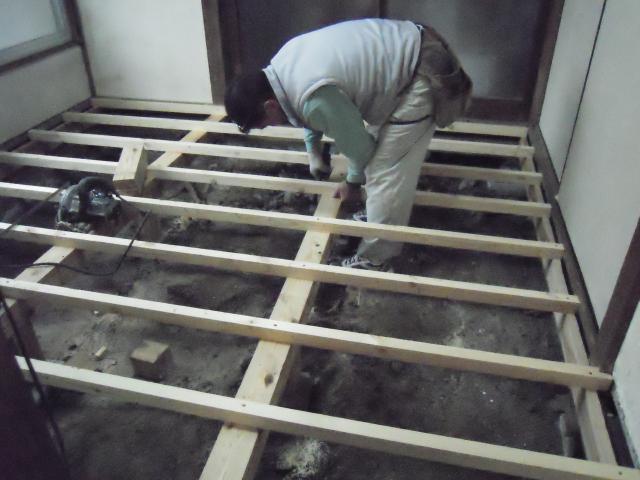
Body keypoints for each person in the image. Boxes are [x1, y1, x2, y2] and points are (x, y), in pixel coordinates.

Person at [224, 18, 471, 271]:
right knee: (377, 151)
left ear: (269, 106)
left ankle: (376, 259)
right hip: (409, 52)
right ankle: (378, 214)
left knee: (383, 169)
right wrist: (314, 151)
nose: (268, 127)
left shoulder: (313, 97)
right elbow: (302, 106)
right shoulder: (281, 64)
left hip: (423, 74)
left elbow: (360, 148)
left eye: (264, 124)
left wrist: (352, 183)